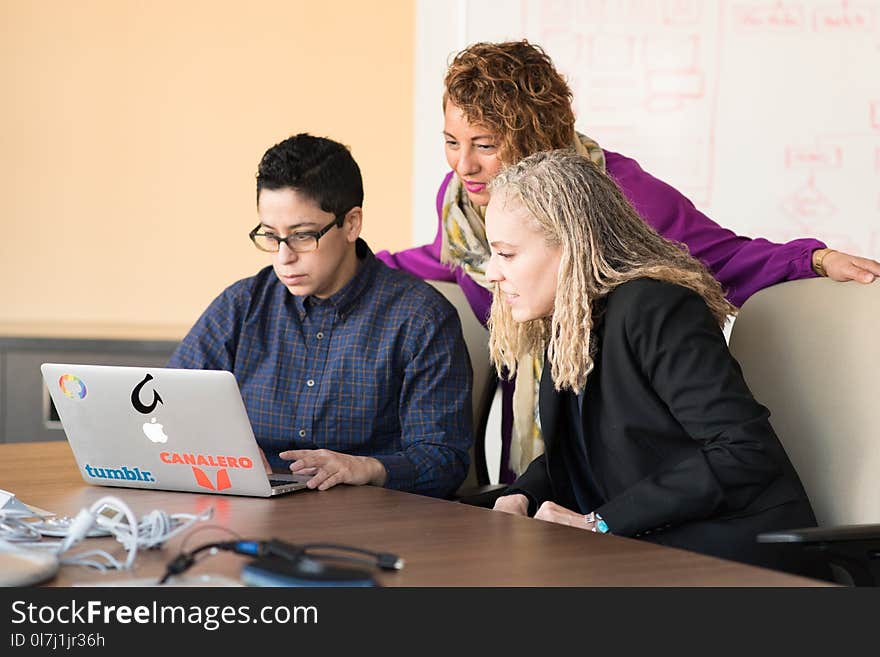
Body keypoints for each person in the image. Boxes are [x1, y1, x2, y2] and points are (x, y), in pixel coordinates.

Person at [377, 39, 880, 483]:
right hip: (545, 440)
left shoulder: (620, 194)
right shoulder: (465, 200)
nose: (463, 164)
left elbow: (723, 257)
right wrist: (358, 264)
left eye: (484, 145)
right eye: (451, 142)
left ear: (532, 136)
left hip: (623, 445)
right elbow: (451, 260)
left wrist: (814, 260)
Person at [485, 149, 824, 576]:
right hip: (648, 546)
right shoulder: (569, 318)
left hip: (734, 552)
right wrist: (524, 495)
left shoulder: (657, 307)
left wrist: (601, 523)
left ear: (571, 248)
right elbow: (579, 453)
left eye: (507, 254)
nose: (491, 272)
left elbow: (743, 452)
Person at [168, 134, 472, 498]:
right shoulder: (242, 305)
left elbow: (444, 460)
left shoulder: (420, 318)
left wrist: (366, 467)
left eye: (302, 236)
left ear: (351, 224)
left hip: (370, 523)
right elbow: (171, 406)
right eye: (271, 236)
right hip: (249, 513)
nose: (283, 257)